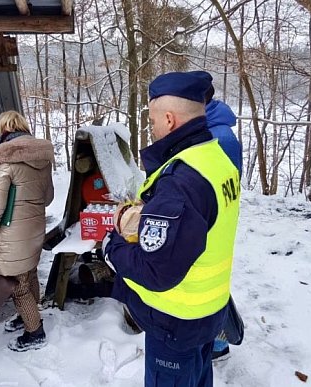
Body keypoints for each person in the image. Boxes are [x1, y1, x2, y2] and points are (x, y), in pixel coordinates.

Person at [104, 72, 241, 386]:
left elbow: (156, 271)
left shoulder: (179, 181)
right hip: (207, 312)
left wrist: (113, 246)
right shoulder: (214, 157)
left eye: (153, 121)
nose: (152, 128)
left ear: (169, 119)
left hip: (175, 322)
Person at [0, 110, 54, 352]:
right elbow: (48, 198)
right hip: (34, 230)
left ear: (3, 130)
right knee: (29, 274)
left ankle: (35, 332)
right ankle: (28, 315)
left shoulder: (3, 161)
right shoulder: (41, 159)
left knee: (18, 286)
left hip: (11, 235)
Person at [188, 70, 244, 361]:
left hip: (212, 221)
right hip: (208, 218)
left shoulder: (219, 136)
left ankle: (219, 343)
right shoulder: (209, 127)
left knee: (210, 282)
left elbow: (218, 184)